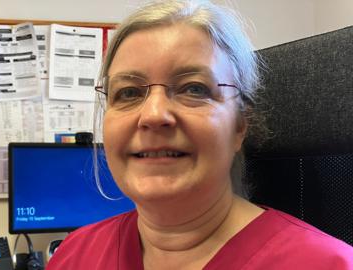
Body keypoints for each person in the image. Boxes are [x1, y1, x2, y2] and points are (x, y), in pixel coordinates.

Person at [46, 0, 353, 269]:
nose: (153, 115)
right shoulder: (73, 255)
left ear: (240, 125)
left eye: (194, 89)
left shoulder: (329, 265)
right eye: (127, 93)